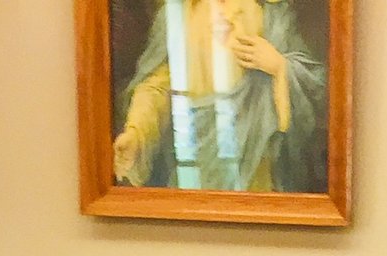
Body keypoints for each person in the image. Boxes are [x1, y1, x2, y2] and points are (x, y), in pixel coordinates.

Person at [112, 0, 327, 194]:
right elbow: (157, 85)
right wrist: (136, 134)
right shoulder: (178, 12)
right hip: (196, 163)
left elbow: (313, 85)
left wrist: (280, 66)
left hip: (256, 165)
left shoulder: (270, 12)